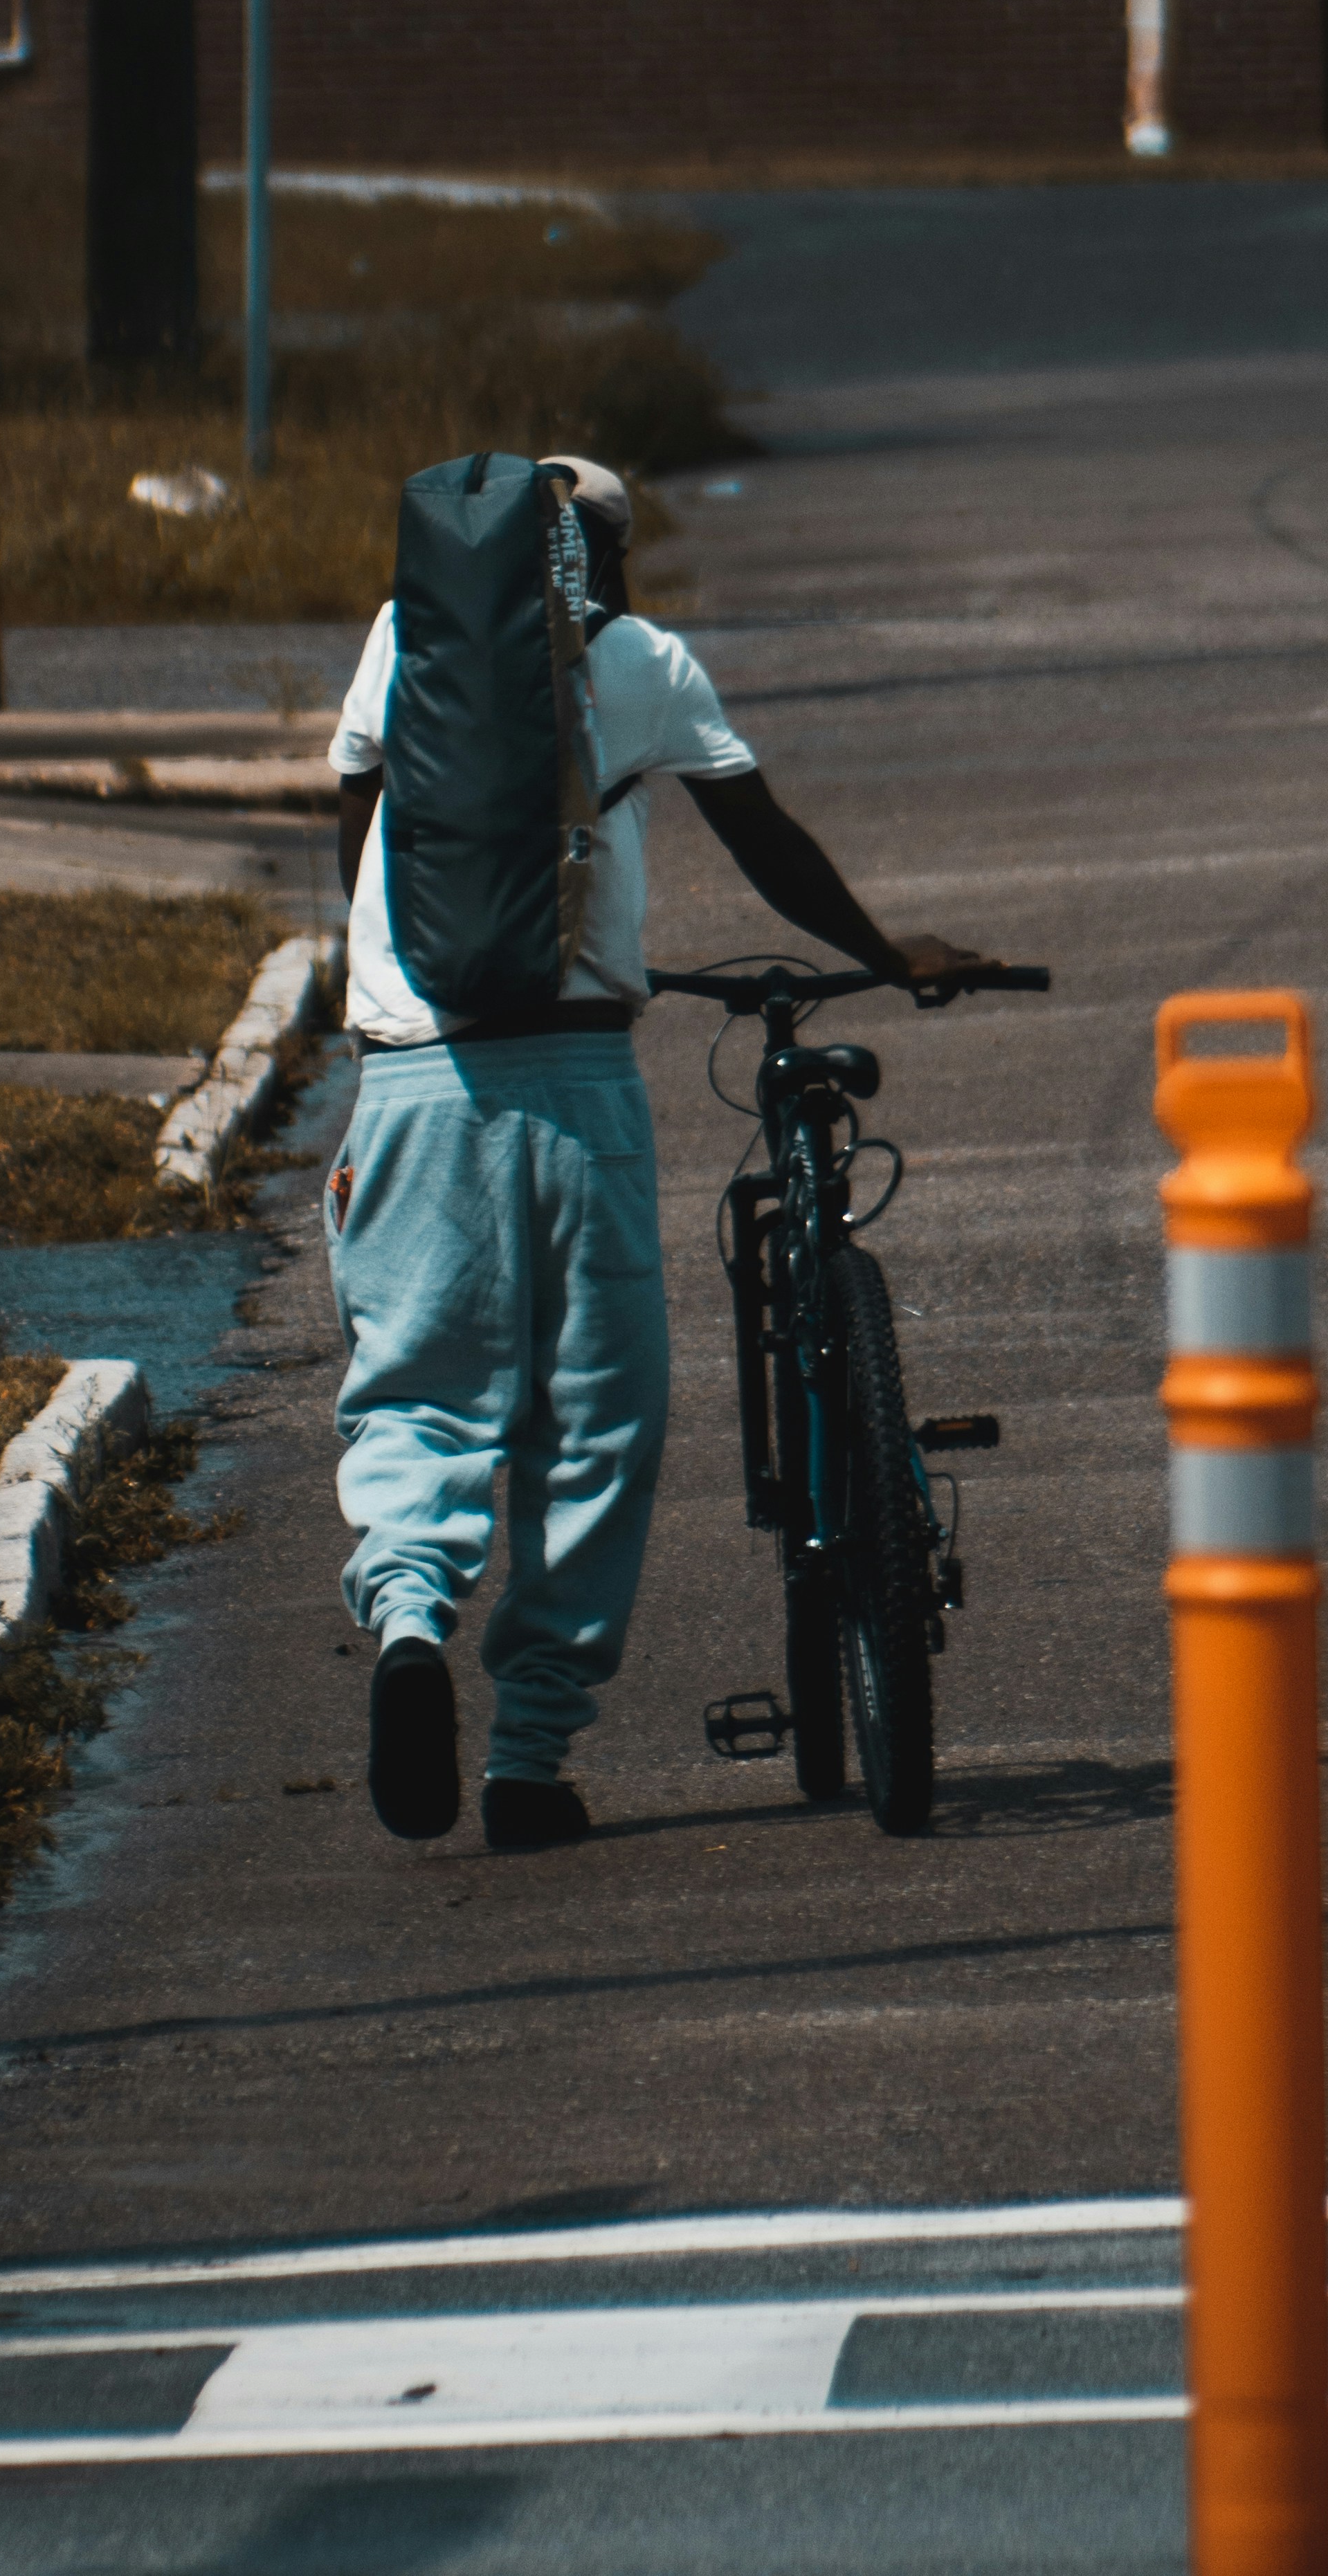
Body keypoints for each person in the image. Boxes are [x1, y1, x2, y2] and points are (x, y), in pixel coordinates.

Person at [323, 451, 985, 1854]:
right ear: (603, 557)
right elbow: (767, 847)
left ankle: (403, 1619)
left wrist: (400, 998)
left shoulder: (401, 640)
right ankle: (528, 1758)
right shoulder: (640, 662)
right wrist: (891, 953)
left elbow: (354, 825)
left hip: (410, 1077)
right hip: (575, 1079)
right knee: (589, 1421)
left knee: (419, 1391)